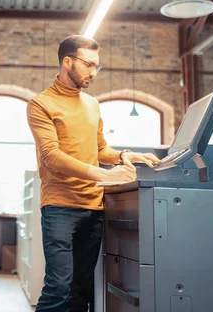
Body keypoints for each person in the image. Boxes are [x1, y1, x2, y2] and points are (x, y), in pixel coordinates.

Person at [26, 35, 160, 312]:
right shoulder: (41, 104)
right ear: (67, 62)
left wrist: (124, 155)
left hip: (93, 207)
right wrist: (104, 175)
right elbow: (51, 156)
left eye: (97, 67)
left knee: (82, 289)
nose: (93, 73)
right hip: (60, 207)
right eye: (89, 65)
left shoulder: (92, 104)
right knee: (58, 287)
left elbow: (100, 148)